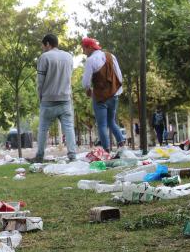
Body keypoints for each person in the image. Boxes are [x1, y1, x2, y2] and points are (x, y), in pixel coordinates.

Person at [32, 33, 77, 163]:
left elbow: (40, 82)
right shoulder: (69, 57)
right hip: (65, 99)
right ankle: (72, 155)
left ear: (47, 44)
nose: (42, 48)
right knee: (68, 128)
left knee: (43, 129)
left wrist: (40, 97)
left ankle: (39, 156)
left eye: (43, 45)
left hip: (48, 99)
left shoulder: (44, 57)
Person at [81, 37, 126, 152]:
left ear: (90, 48)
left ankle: (106, 150)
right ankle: (122, 144)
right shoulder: (111, 56)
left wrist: (88, 90)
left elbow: (86, 81)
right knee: (111, 121)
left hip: (100, 97)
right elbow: (119, 75)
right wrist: (116, 91)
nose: (83, 52)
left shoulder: (90, 60)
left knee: (101, 124)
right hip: (114, 94)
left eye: (84, 49)